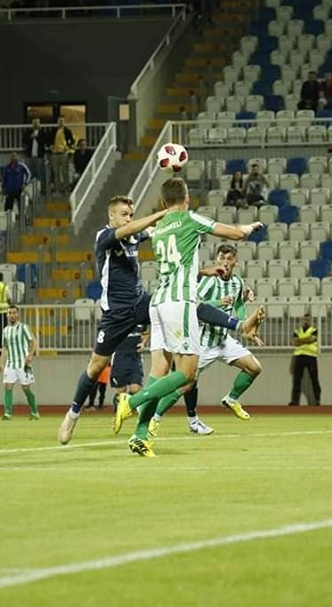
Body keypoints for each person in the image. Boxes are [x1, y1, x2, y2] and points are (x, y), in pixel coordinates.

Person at [56, 193, 263, 447]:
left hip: (140, 302)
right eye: (124, 214)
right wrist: (164, 213)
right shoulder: (105, 236)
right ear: (111, 216)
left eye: (131, 214)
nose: (128, 219)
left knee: (188, 304)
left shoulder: (135, 236)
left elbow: (168, 247)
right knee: (96, 367)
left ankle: (239, 325)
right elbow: (132, 229)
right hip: (115, 313)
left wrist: (202, 270)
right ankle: (72, 414)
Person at [112, 179, 264, 457]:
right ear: (187, 199)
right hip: (179, 303)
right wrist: (250, 227)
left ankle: (140, 435)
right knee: (187, 374)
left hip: (158, 302)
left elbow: (178, 264)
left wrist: (204, 271)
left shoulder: (159, 228)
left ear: (162, 203)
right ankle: (130, 403)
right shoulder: (189, 218)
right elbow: (234, 234)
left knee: (158, 373)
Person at [148, 243, 263, 437]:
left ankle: (231, 399)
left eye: (229, 259)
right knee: (185, 384)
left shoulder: (237, 282)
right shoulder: (209, 281)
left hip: (223, 340)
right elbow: (195, 305)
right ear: (217, 259)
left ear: (235, 261)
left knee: (254, 368)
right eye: (222, 258)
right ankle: (155, 418)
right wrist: (218, 302)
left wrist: (246, 326)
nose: (225, 262)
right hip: (203, 341)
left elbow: (239, 305)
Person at [0, 305, 40, 420]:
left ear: (17, 314)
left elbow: (33, 342)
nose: (12, 315)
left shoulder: (23, 327)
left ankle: (34, 412)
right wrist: (1, 362)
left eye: (14, 313)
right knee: (7, 386)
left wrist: (30, 355)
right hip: (10, 363)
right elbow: (5, 347)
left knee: (26, 388)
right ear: (7, 315)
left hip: (23, 363)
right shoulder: (5, 330)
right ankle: (7, 413)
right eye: (10, 313)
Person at [290, 313, 321, 406]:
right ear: (302, 320)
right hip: (299, 356)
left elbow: (312, 339)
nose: (306, 321)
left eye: (308, 320)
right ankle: (295, 401)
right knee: (297, 380)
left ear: (310, 321)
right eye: (305, 319)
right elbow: (294, 342)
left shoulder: (314, 330)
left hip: (311, 356)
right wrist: (306, 340)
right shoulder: (297, 331)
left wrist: (300, 340)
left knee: (314, 379)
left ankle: (317, 400)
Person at [48, 117, 75, 194]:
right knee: (56, 173)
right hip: (55, 153)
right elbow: (49, 140)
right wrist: (50, 146)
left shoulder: (67, 131)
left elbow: (72, 141)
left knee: (64, 172)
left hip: (63, 153)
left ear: (64, 122)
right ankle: (57, 189)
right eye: (59, 121)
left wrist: (68, 147)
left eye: (62, 121)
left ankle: (66, 189)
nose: (60, 123)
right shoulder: (53, 131)